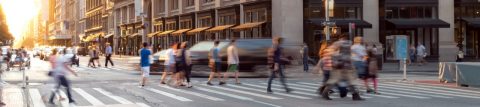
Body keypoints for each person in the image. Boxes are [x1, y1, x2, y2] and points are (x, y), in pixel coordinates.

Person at [322, 35, 364, 101]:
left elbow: (348, 57)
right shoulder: (341, 48)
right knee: (339, 81)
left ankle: (355, 95)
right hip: (341, 67)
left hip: (344, 67)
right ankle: (325, 93)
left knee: (350, 81)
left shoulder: (340, 48)